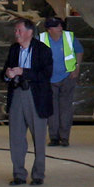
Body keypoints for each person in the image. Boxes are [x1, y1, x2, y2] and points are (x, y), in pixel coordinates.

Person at [3, 17, 53, 186]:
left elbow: (45, 75)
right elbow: (5, 69)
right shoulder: (14, 49)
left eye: (19, 30)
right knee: (16, 136)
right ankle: (19, 173)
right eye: (16, 31)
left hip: (35, 96)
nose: (16, 34)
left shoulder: (43, 50)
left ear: (30, 32)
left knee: (39, 137)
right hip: (17, 94)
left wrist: (23, 72)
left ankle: (38, 174)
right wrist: (8, 74)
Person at [40, 16, 81, 147]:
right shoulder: (41, 39)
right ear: (49, 29)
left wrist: (76, 68)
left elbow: (79, 50)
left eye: (60, 26)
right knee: (52, 110)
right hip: (49, 79)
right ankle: (54, 137)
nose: (60, 28)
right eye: (56, 26)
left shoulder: (69, 37)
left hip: (67, 77)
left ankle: (64, 137)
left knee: (65, 108)